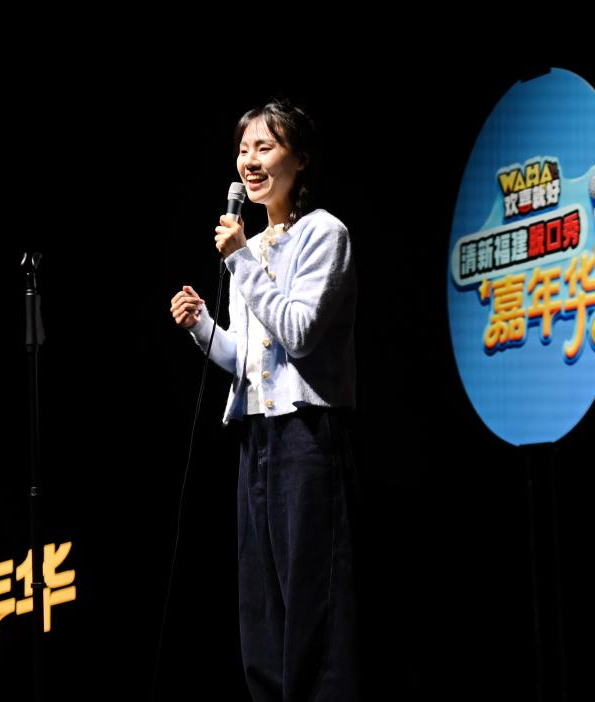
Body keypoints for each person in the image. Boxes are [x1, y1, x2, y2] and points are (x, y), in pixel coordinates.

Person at [169, 99, 360, 700]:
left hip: (306, 435)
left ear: (299, 159)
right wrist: (202, 325)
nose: (250, 161)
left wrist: (239, 260)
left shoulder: (324, 233)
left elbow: (298, 334)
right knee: (261, 605)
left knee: (312, 600)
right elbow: (246, 359)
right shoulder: (251, 250)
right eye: (243, 149)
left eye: (265, 147)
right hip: (256, 434)